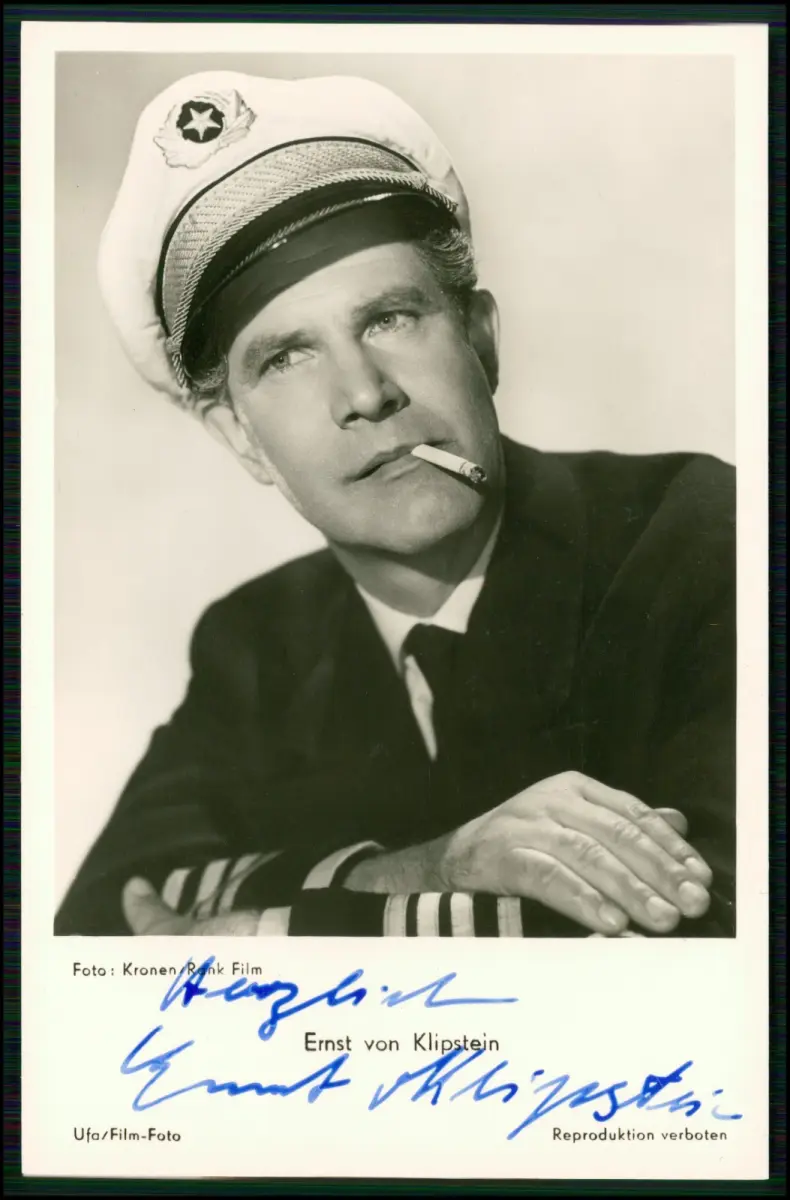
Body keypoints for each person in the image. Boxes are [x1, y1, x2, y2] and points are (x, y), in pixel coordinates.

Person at [55, 70, 735, 939]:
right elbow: (103, 929)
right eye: (287, 358)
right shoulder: (258, 642)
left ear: (481, 339)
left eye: (389, 319)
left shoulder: (704, 536)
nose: (365, 395)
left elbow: (713, 938)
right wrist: (430, 868)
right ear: (240, 438)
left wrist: (264, 930)